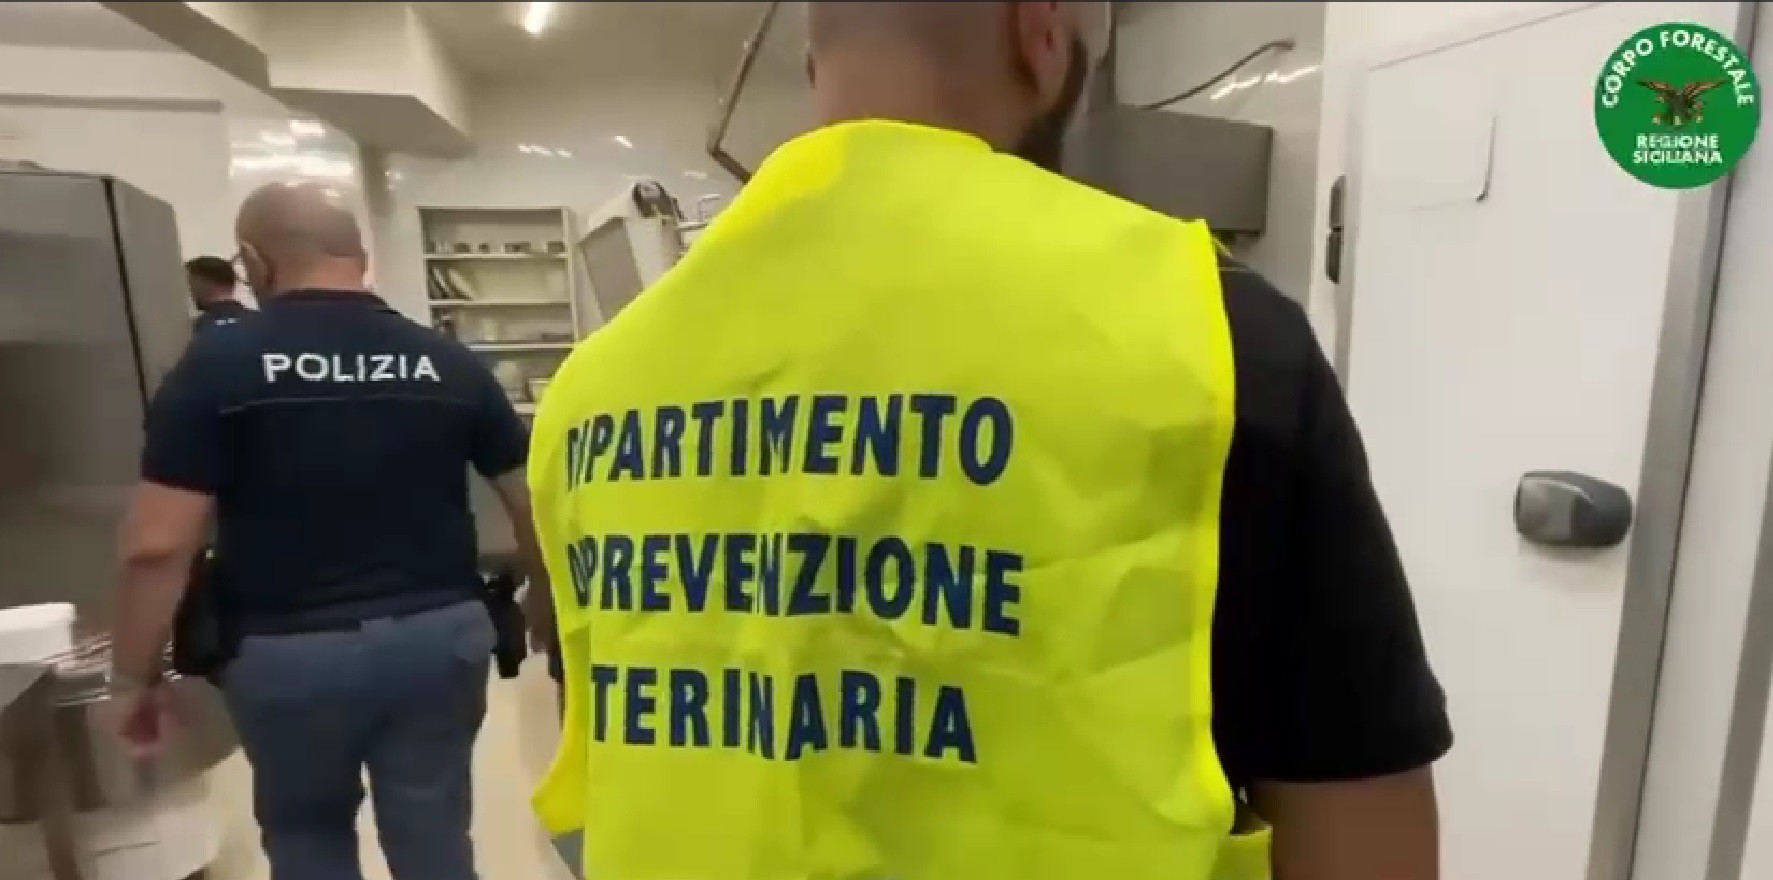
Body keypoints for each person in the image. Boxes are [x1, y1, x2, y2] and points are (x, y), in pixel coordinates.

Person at [526, 3, 1450, 880]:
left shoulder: (591, 393)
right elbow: (1362, 838)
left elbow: (606, 782)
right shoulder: (1206, 334)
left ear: (813, 69)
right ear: (1038, 30)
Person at [108, 181, 548, 880]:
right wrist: (544, 601)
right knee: (434, 831)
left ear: (254, 260)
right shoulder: (448, 362)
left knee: (307, 833)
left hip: (289, 655)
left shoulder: (215, 367)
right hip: (439, 640)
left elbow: (158, 545)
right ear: (360, 257)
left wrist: (133, 676)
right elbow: (534, 501)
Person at [184, 254, 250, 332]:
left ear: (202, 281)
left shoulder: (198, 329)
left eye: (189, 282)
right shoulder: (257, 320)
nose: (189, 290)